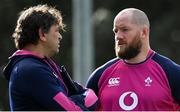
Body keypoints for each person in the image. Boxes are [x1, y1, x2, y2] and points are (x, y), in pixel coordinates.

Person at [3, 4, 98, 111]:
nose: (60, 36)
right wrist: (78, 100)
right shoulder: (31, 70)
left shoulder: (43, 66)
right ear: (42, 34)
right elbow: (73, 110)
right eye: (56, 30)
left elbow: (93, 97)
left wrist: (74, 99)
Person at [86, 8, 180, 111]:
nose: (118, 36)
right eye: (116, 31)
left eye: (125, 30)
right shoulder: (99, 76)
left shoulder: (172, 73)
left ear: (143, 32)